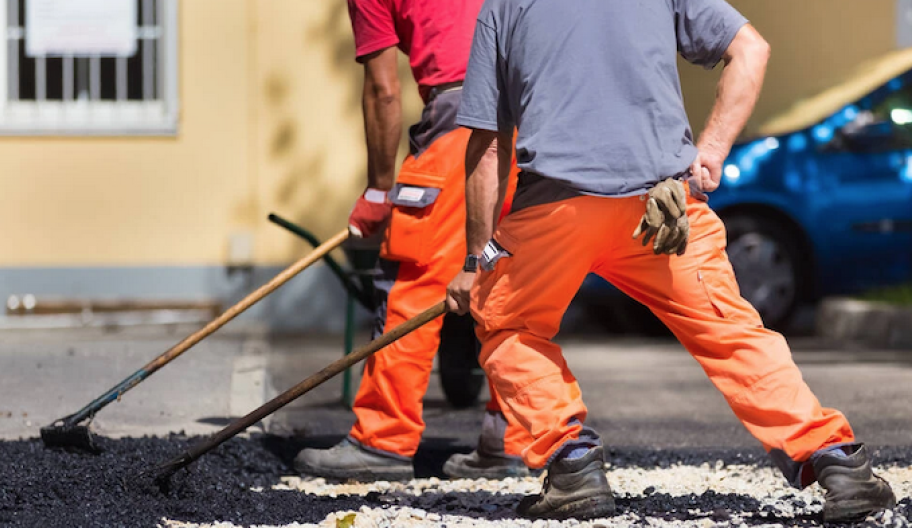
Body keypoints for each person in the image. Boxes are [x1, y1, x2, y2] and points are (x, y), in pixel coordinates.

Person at [445, 0, 896, 522]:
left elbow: (485, 144)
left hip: (555, 209)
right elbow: (751, 47)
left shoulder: (502, 6)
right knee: (732, 334)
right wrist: (712, 150)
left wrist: (477, 259)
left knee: (508, 325)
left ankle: (572, 466)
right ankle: (838, 462)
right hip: (664, 207)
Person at [293, 0, 532, 482]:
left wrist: (380, 191)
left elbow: (383, 91)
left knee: (412, 281)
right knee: (512, 283)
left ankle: (381, 441)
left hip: (462, 117)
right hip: (537, 115)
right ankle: (509, 437)